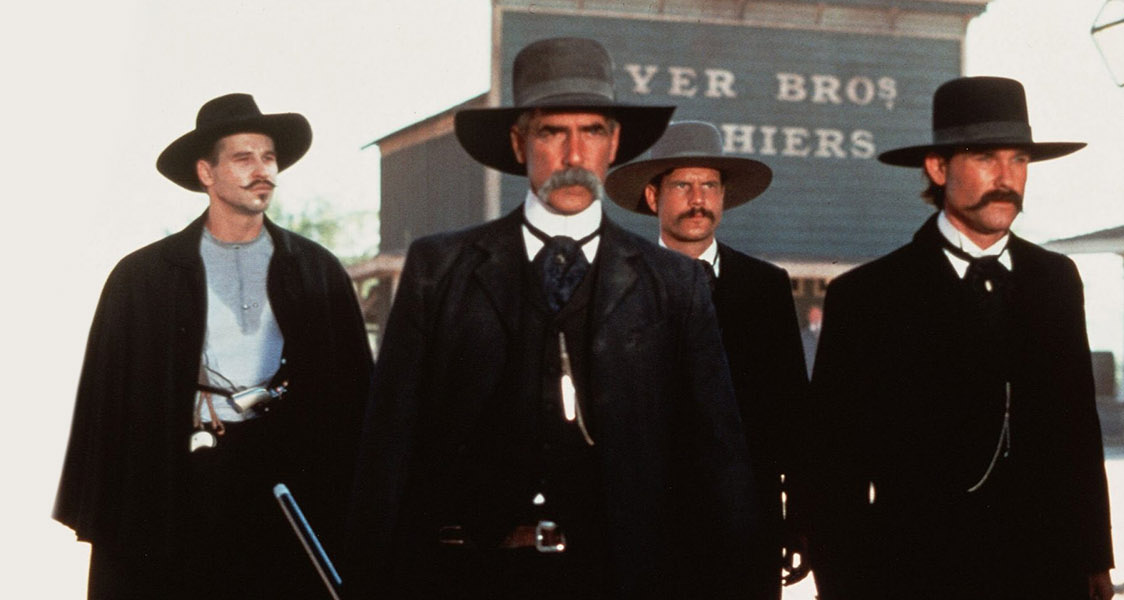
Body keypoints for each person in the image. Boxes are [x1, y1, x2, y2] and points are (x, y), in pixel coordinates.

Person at [346, 38, 769, 599]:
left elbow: (719, 462)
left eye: (591, 131)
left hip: (625, 580)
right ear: (519, 142)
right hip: (470, 577)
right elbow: (388, 451)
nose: (573, 155)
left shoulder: (674, 284)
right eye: (552, 132)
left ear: (613, 143)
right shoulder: (440, 269)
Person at [52, 93, 373, 600]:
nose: (262, 171)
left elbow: (354, 399)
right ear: (206, 172)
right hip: (185, 482)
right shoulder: (144, 277)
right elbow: (111, 409)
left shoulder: (316, 270)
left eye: (269, 157)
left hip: (288, 483)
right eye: (243, 158)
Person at [804, 76, 1114, 600]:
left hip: (1047, 575)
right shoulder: (868, 296)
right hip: (918, 577)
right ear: (937, 168)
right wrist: (843, 586)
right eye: (986, 158)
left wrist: (1095, 561)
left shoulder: (1056, 279)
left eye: (1019, 160)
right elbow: (833, 467)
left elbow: (1079, 432)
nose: (1006, 177)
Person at [604, 120, 812, 594]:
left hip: (746, 529)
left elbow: (792, 414)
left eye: (710, 186)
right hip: (645, 532)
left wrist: (799, 521)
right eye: (683, 185)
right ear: (653, 197)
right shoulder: (616, 286)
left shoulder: (765, 286)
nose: (698, 199)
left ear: (723, 197)